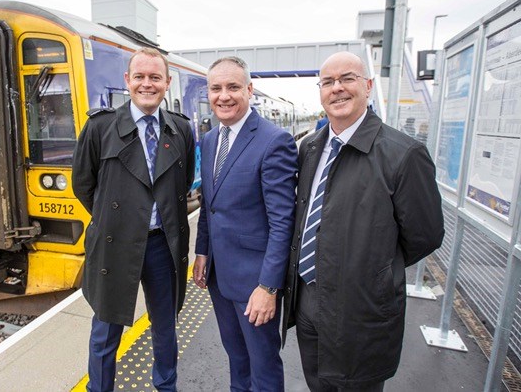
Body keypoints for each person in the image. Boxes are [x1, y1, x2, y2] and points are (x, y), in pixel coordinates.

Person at [283, 52, 444, 392]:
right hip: (309, 301)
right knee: (318, 385)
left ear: (368, 86)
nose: (337, 89)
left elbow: (425, 236)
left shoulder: (403, 153)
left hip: (362, 310)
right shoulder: (310, 147)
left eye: (347, 79)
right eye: (328, 82)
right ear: (320, 92)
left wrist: (375, 270)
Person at [72, 47, 195, 392]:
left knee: (165, 325)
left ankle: (166, 386)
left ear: (167, 83)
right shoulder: (100, 128)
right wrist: (117, 220)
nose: (147, 84)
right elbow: (84, 185)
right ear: (127, 81)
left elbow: (181, 186)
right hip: (116, 243)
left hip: (161, 245)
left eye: (155, 77)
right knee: (106, 330)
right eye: (139, 76)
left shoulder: (181, 131)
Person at [193, 56, 298, 392]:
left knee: (263, 367)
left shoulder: (273, 141)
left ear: (249, 90)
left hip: (255, 284)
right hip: (220, 277)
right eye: (216, 88)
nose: (224, 96)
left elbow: (283, 223)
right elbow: (211, 208)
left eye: (233, 87)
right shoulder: (210, 140)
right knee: (237, 361)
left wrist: (268, 287)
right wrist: (201, 253)